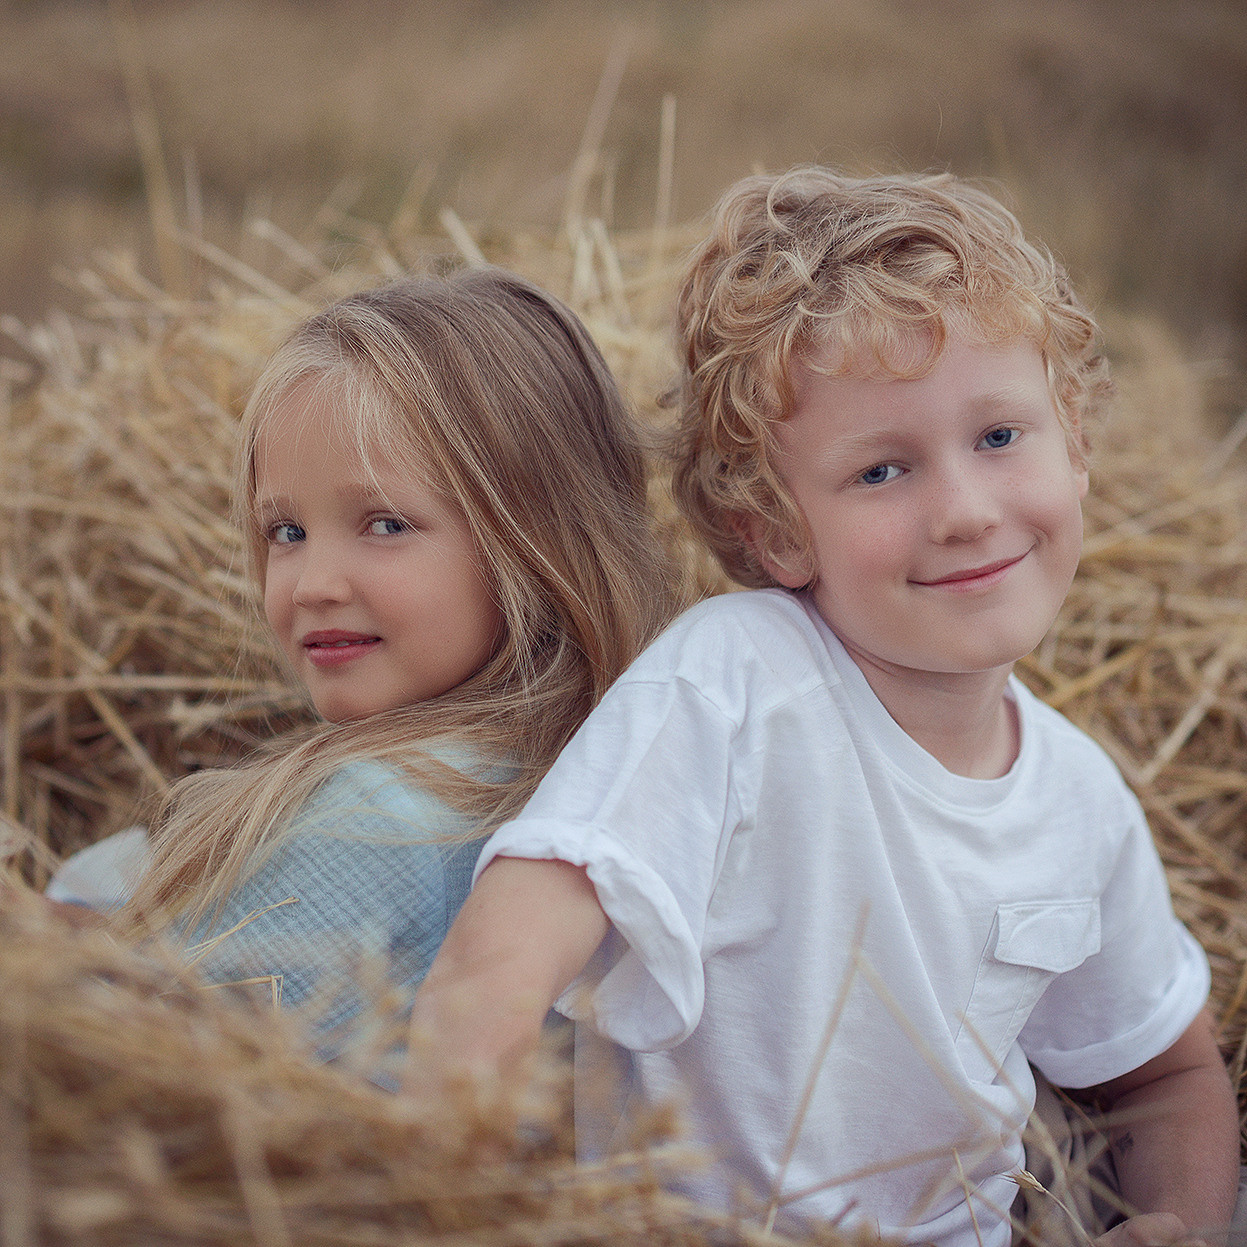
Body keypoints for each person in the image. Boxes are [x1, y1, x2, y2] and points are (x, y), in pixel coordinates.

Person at [408, 170, 1240, 1246]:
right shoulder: (735, 681)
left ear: (1072, 439)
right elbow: (506, 952)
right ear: (774, 527)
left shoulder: (1078, 799)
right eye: (882, 469)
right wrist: (445, 1185)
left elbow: (1163, 1074)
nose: (962, 510)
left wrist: (1177, 1222)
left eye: (998, 436)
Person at [54, 267, 678, 1051]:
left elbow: (113, 1055)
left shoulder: (370, 817)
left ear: (534, 538)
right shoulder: (606, 766)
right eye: (286, 531)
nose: (313, 584)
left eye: (384, 525)